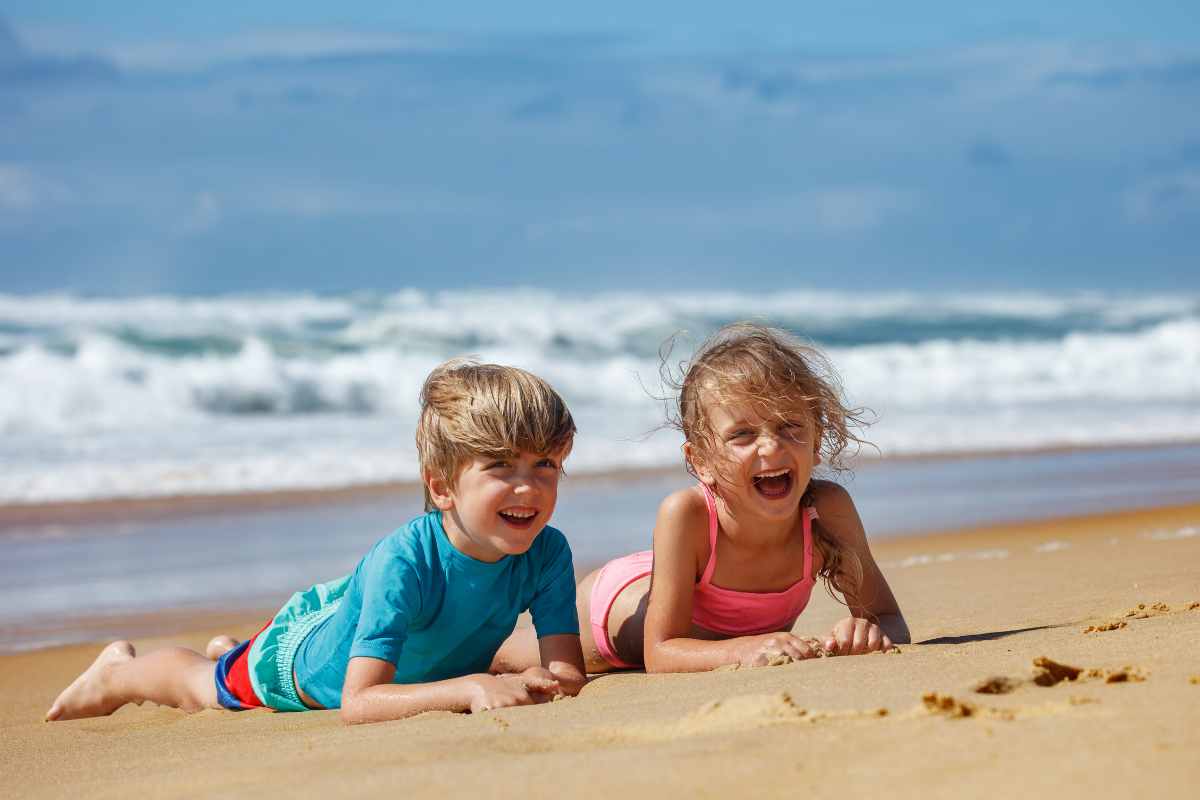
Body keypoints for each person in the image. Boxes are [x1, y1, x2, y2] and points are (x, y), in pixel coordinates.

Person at [46, 360, 587, 724]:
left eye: (546, 464)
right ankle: (119, 672)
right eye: (500, 466)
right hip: (297, 665)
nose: (529, 486)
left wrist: (550, 679)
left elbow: (566, 671)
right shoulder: (405, 562)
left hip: (354, 618)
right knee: (204, 687)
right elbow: (357, 702)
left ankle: (228, 646)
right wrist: (469, 688)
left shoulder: (548, 553)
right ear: (442, 486)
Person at [497, 322, 909, 675]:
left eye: (790, 427)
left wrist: (866, 632)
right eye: (743, 435)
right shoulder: (686, 513)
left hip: (677, 576)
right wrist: (743, 648)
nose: (771, 447)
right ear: (701, 461)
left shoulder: (826, 511)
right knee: (496, 655)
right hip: (613, 611)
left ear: (816, 442)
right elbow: (659, 653)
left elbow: (890, 620)